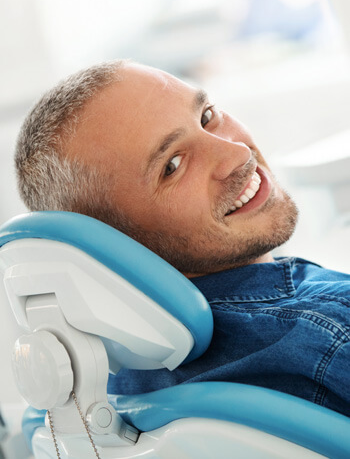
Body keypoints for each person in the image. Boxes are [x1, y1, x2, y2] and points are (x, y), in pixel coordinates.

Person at [15, 60, 350, 418]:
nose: (237, 153)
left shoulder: (105, 394)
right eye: (172, 166)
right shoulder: (326, 332)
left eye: (207, 116)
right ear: (117, 245)